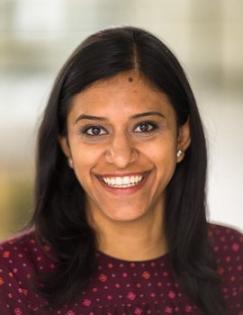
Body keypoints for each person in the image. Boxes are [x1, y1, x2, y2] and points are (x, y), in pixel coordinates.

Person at [0, 26, 242, 315]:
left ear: (181, 136)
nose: (122, 156)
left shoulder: (233, 258)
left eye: (145, 127)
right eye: (94, 130)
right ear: (66, 145)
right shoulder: (11, 275)